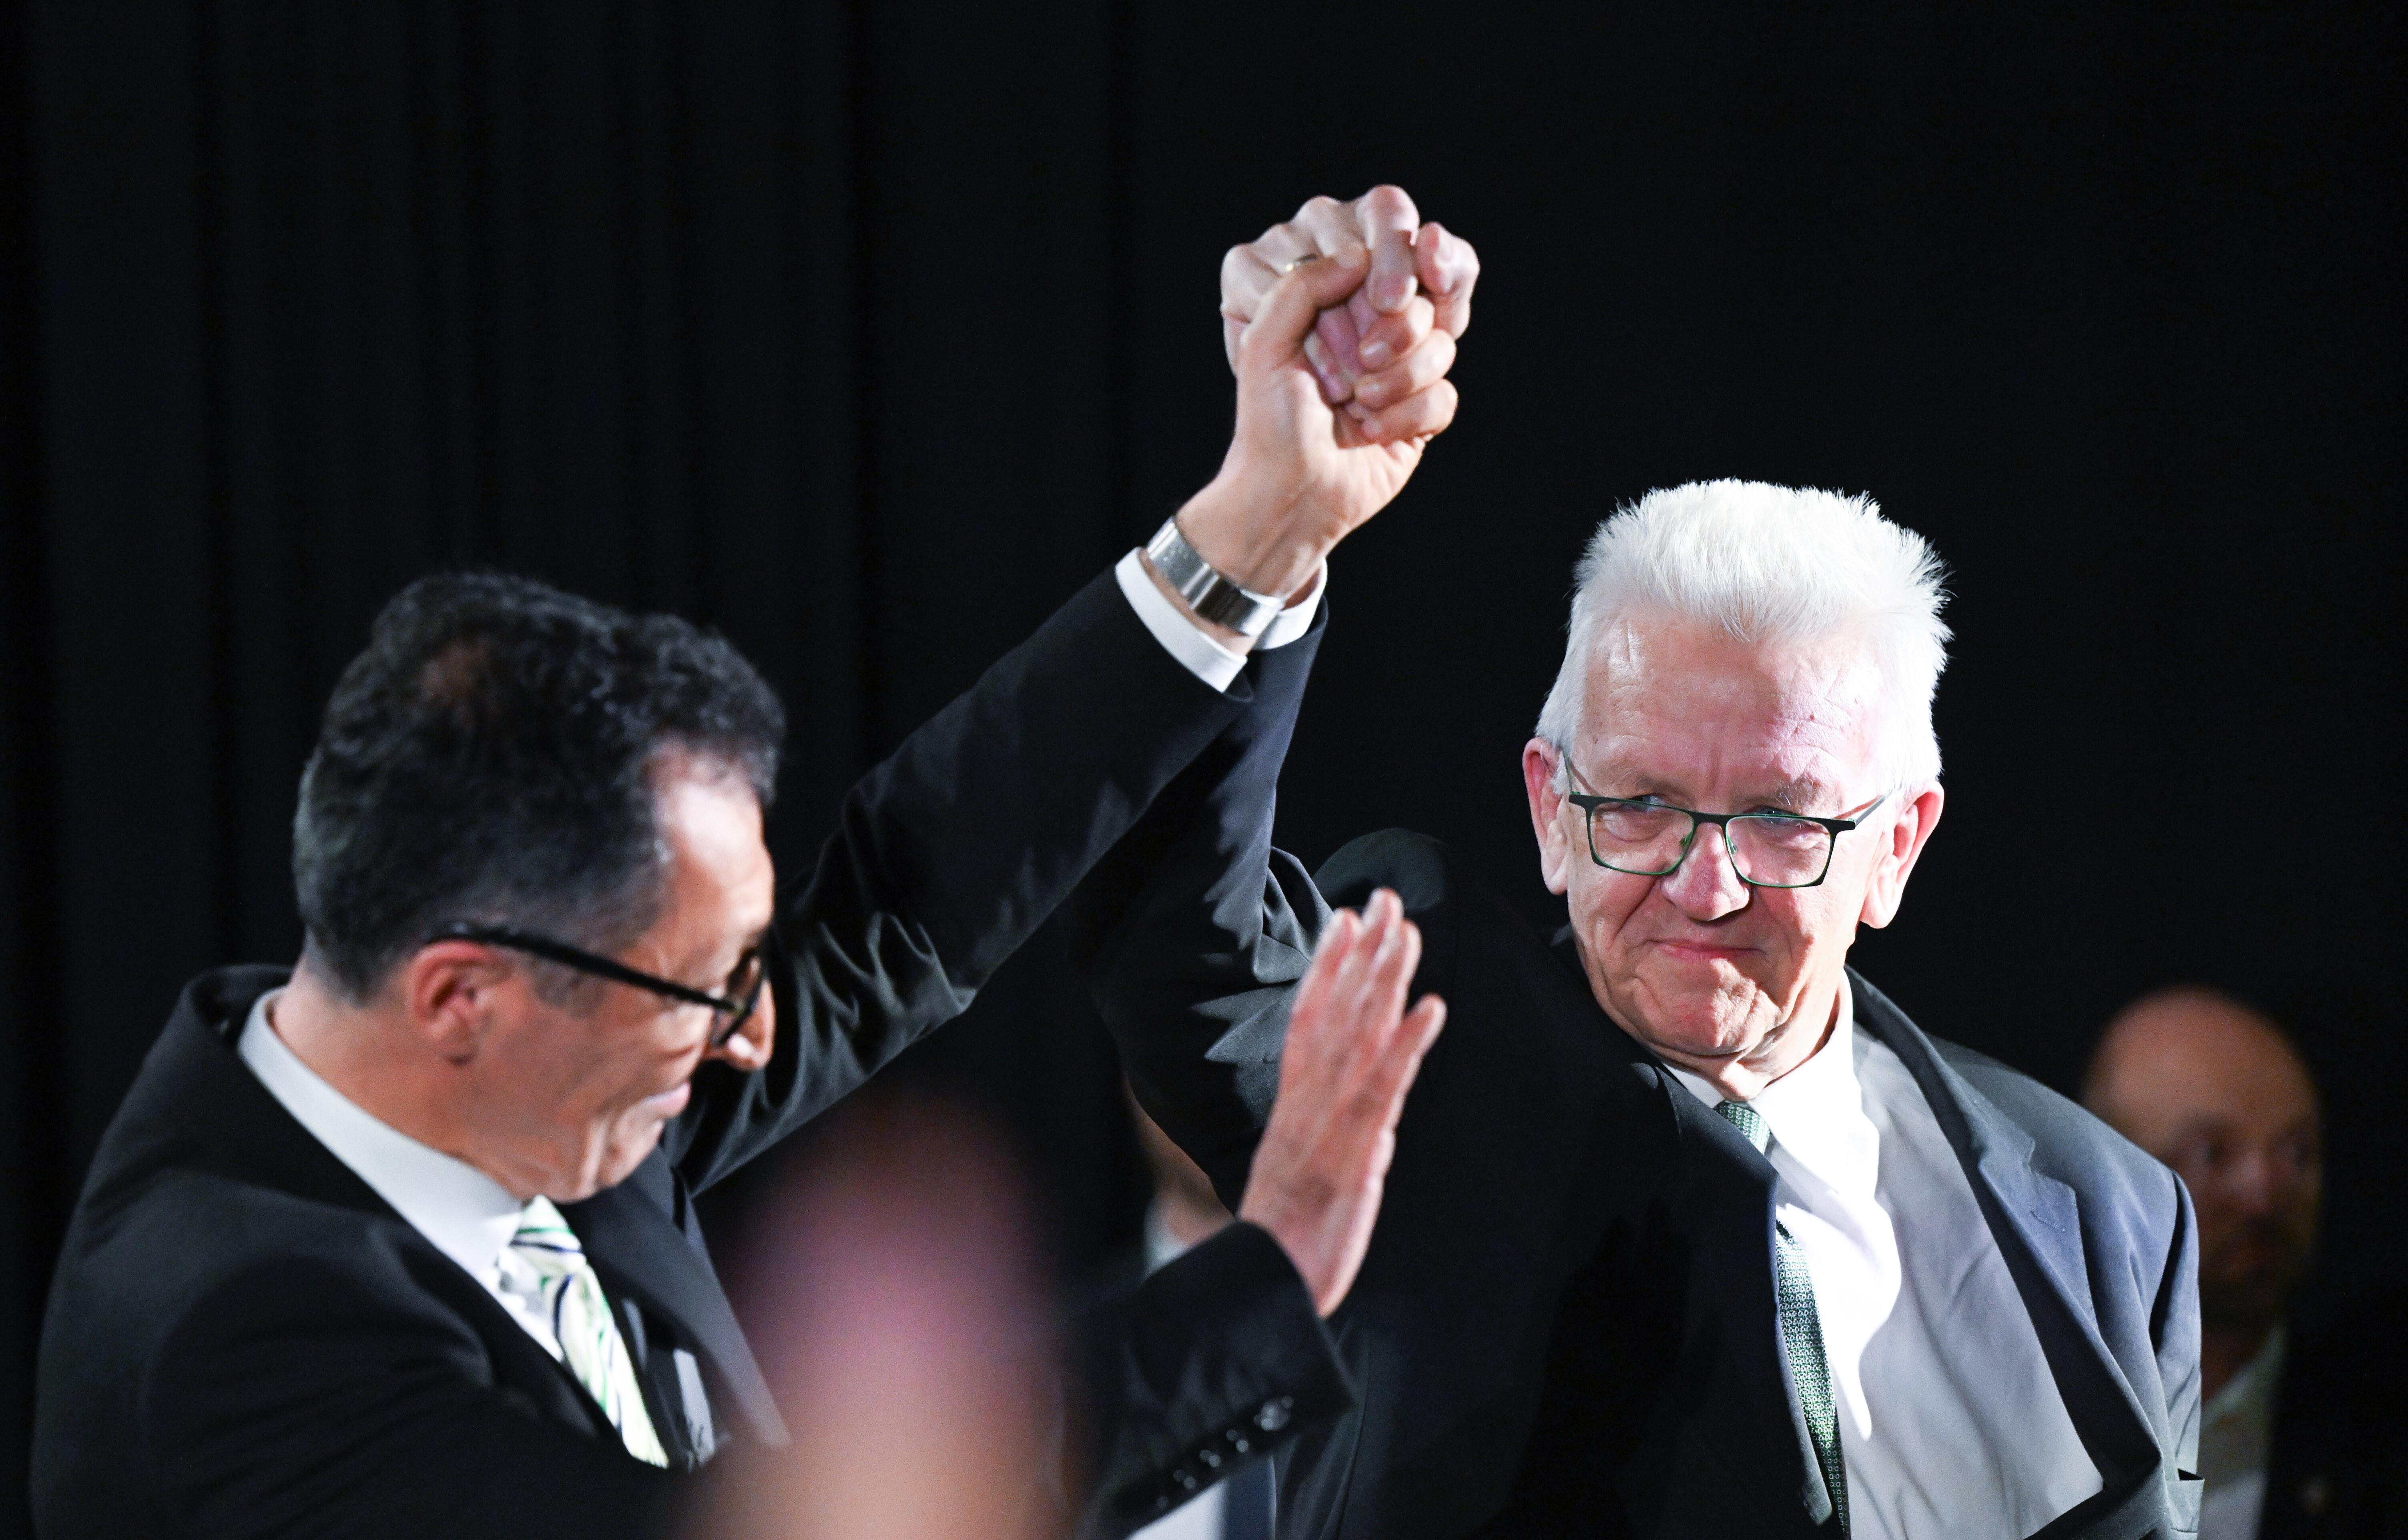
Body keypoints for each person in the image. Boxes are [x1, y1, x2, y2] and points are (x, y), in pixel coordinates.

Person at [30, 198, 1470, 1540]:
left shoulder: (502, 1070)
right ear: (460, 995)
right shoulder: (239, 1332)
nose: (761, 1024)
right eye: (712, 989)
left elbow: (894, 907)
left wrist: (1261, 523)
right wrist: (1266, 1267)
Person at [1076, 188, 2199, 1540]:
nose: (1704, 885)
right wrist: (1265, 529)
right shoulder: (1411, 1088)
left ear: (1897, 843)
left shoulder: (2107, 1212)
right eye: (1643, 804)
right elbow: (1172, 944)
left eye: (1783, 819)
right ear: (1548, 806)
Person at [2087, 987, 2408, 1539]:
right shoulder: (2015, 1419)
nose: (2264, 1196)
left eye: (2296, 1153)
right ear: (2102, 1170)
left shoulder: (2378, 1432)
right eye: (2213, 1153)